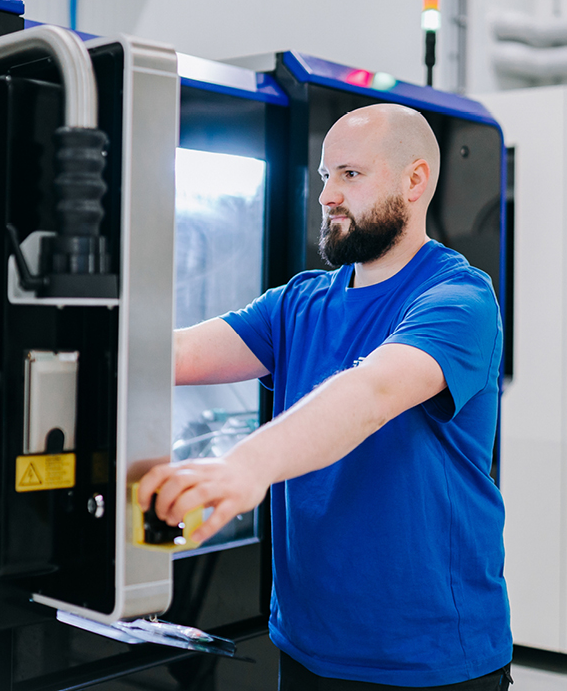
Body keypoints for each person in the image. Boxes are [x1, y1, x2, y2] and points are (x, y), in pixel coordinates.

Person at [138, 103, 512, 690]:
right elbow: (177, 354)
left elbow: (372, 392)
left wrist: (244, 469)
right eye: (324, 176)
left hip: (429, 658)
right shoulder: (298, 303)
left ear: (415, 181)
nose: (327, 195)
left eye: (350, 175)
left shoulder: (459, 299)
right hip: (308, 646)